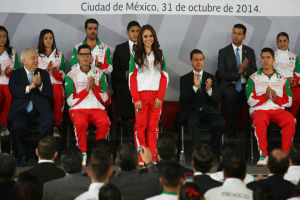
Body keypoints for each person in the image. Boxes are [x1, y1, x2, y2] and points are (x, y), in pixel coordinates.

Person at [246, 48, 295, 166]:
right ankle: (263, 155)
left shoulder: (282, 79)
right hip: (259, 110)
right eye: (263, 57)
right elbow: (249, 100)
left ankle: (285, 155)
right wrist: (265, 96)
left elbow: (289, 101)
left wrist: (275, 98)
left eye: (268, 57)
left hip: (277, 109)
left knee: (291, 120)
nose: (265, 60)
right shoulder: (253, 77)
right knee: (260, 120)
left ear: (273, 60)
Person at [65, 44, 111, 166]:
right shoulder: (71, 75)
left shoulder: (99, 73)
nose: (85, 57)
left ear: (91, 57)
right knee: (80, 123)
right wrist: (86, 90)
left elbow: (106, 99)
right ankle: (82, 152)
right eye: (82, 55)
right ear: (78, 57)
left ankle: (98, 152)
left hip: (96, 108)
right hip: (78, 109)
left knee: (105, 122)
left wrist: (94, 88)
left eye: (87, 55)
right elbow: (70, 101)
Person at [129, 24, 169, 161]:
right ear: (141, 38)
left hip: (156, 97)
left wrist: (160, 97)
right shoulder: (134, 55)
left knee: (153, 128)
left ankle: (152, 157)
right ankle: (141, 158)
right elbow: (132, 78)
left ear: (154, 37)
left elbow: (164, 77)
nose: (148, 38)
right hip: (140, 97)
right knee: (140, 128)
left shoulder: (160, 54)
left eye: (150, 36)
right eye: (145, 36)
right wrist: (136, 98)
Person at [8, 48, 53, 166]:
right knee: (17, 125)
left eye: (37, 58)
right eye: (33, 58)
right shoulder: (15, 74)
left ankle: (42, 154)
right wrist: (30, 87)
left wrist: (40, 85)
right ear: (23, 61)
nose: (36, 60)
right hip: (21, 110)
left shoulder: (43, 74)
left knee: (48, 123)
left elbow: (50, 93)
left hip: (39, 111)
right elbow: (14, 90)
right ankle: (22, 154)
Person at [217, 23, 257, 138]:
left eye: (239, 34)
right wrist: (238, 73)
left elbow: (254, 72)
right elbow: (221, 73)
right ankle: (232, 128)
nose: (235, 36)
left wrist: (245, 70)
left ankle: (252, 129)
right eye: (234, 33)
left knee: (253, 95)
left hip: (245, 85)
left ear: (244, 36)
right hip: (230, 85)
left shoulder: (249, 52)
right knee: (230, 95)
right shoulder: (223, 52)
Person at [179, 49, 225, 149]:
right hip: (192, 111)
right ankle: (199, 151)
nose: (199, 62)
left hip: (209, 111)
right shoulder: (184, 79)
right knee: (192, 122)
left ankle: (212, 149)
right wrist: (195, 87)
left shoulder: (211, 77)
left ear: (203, 61)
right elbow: (183, 100)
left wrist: (209, 90)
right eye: (196, 60)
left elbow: (217, 98)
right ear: (191, 61)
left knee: (220, 123)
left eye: (201, 59)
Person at [37, 29, 66, 136]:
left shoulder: (59, 55)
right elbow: (32, 75)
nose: (48, 41)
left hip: (56, 84)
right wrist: (46, 71)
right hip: (41, 85)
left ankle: (56, 125)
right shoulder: (36, 54)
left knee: (58, 95)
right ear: (41, 40)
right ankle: (44, 125)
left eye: (50, 38)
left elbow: (63, 76)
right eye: (46, 38)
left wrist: (55, 73)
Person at [112, 21, 140, 120]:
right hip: (125, 85)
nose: (135, 34)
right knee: (125, 92)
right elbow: (114, 72)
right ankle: (126, 126)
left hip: (141, 85)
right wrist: (126, 74)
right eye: (133, 31)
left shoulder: (146, 48)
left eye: (137, 31)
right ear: (127, 32)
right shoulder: (120, 48)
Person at [274, 32, 300, 117]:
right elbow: (269, 72)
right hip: (276, 84)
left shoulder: (295, 56)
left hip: (292, 85)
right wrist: (284, 82)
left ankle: (291, 120)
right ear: (277, 42)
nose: (282, 43)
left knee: (297, 97)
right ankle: (282, 121)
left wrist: (292, 82)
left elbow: (298, 74)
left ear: (288, 42)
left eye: (285, 41)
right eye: (280, 41)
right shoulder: (271, 56)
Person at [0, 26, 20, 137]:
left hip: (8, 84)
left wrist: (9, 72)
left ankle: (3, 124)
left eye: (4, 36)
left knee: (10, 97)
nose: (2, 39)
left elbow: (17, 72)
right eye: (0, 36)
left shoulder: (12, 53)